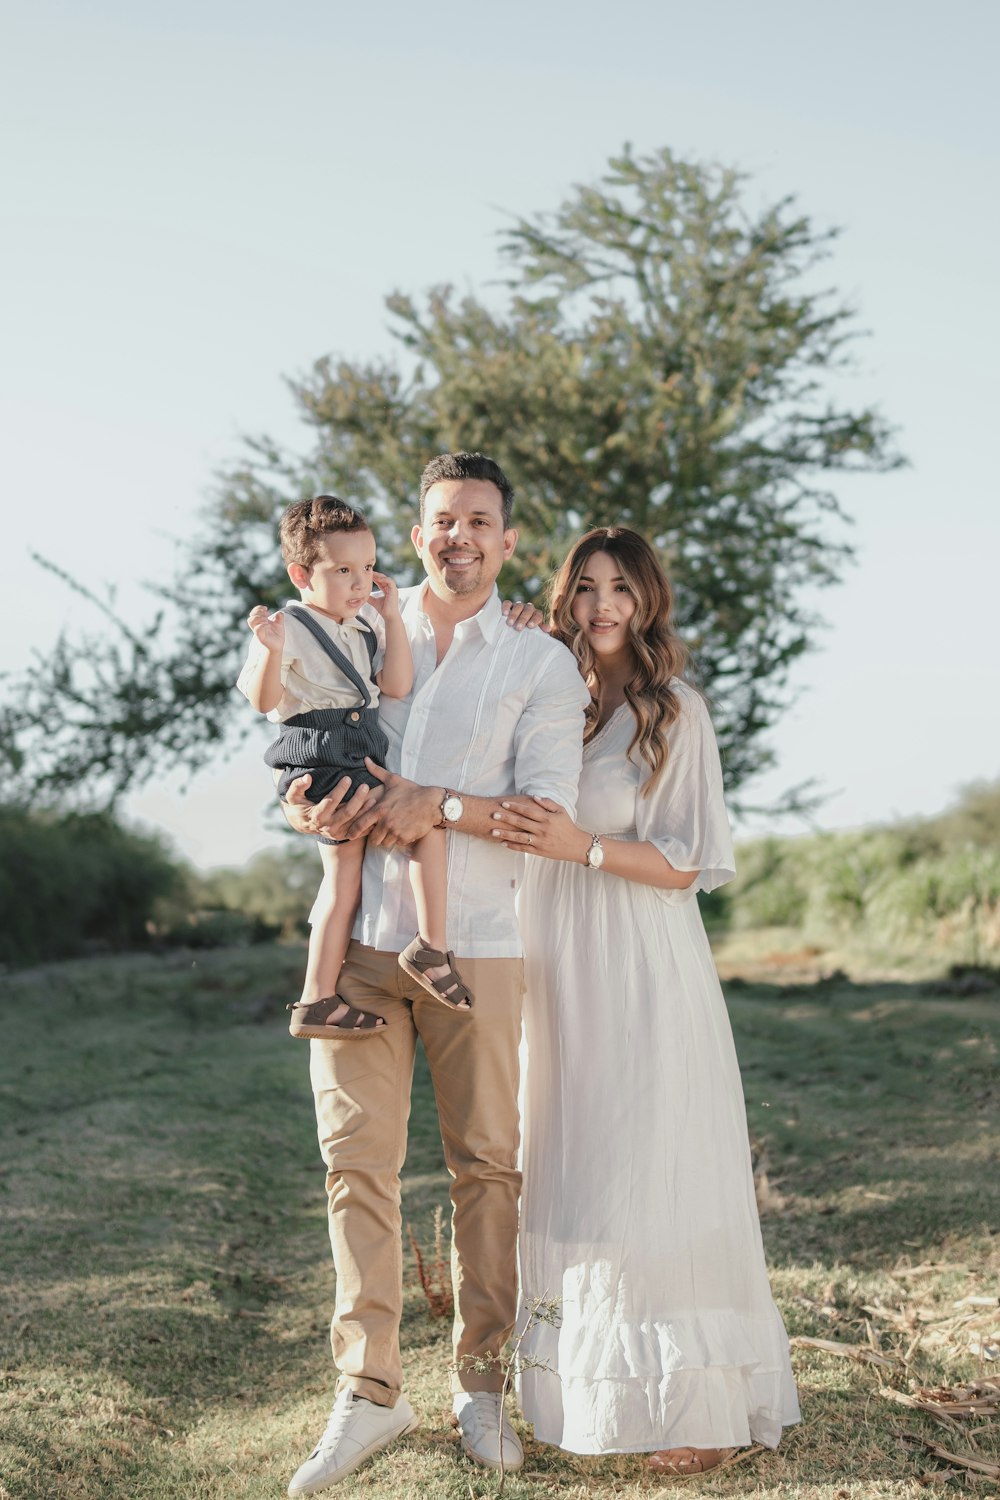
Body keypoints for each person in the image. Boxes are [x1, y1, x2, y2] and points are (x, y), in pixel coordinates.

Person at [278, 453, 591, 1496]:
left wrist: (434, 804)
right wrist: (304, 804)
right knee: (353, 1161)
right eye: (440, 520)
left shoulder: (540, 664)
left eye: (478, 521)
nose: (456, 535)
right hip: (360, 946)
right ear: (417, 537)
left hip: (481, 948)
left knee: (486, 1165)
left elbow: (547, 815)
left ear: (507, 542)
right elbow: (308, 742)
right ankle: (368, 1392)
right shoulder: (363, 623)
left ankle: (482, 1382)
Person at [492, 527, 800, 1475]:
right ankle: (578, 1391)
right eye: (584, 588)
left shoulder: (678, 710)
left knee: (649, 1159)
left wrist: (577, 846)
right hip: (554, 959)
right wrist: (499, 650)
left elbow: (687, 863)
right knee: (575, 1162)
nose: (601, 606)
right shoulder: (540, 689)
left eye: (620, 588)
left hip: (639, 957)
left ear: (647, 598)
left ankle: (695, 1402)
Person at [237, 496, 473, 1041]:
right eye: (344, 570)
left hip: (354, 747)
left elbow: (395, 686)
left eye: (367, 568)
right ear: (301, 573)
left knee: (345, 883)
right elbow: (264, 700)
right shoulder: (286, 626)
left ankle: (318, 997)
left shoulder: (364, 623)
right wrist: (270, 649)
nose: (360, 581)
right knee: (424, 827)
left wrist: (390, 615)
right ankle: (430, 949)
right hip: (323, 758)